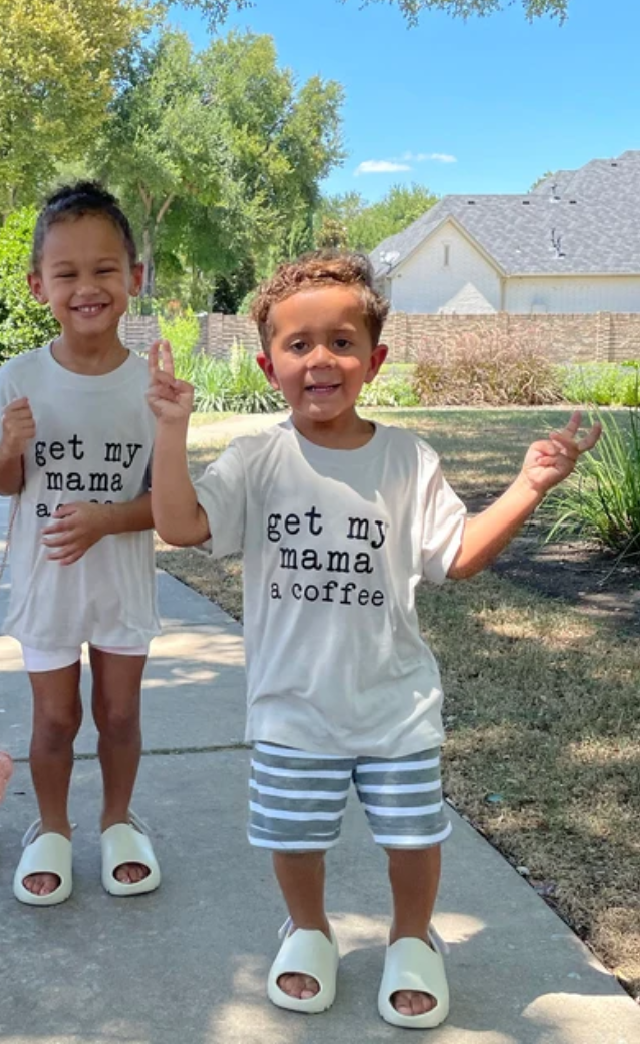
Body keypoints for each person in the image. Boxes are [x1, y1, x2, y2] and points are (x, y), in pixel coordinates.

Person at [146, 251, 601, 1029]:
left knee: (413, 836)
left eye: (341, 341)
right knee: (294, 837)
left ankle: (414, 938)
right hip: (292, 707)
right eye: (298, 345)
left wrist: (528, 485)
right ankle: (309, 929)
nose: (320, 359)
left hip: (395, 704)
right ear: (268, 364)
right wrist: (170, 429)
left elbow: (456, 557)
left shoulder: (407, 459)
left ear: (374, 359)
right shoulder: (258, 458)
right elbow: (182, 524)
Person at [0, 181, 161, 907]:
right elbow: (0, 484)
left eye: (104, 269)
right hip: (48, 584)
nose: (86, 287)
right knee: (55, 717)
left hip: (121, 585)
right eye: (66, 273)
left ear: (134, 278)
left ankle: (118, 819)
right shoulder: (19, 379)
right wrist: (11, 449)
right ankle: (50, 826)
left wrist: (108, 519)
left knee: (119, 714)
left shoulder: (152, 387)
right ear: (38, 286)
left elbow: (169, 504)